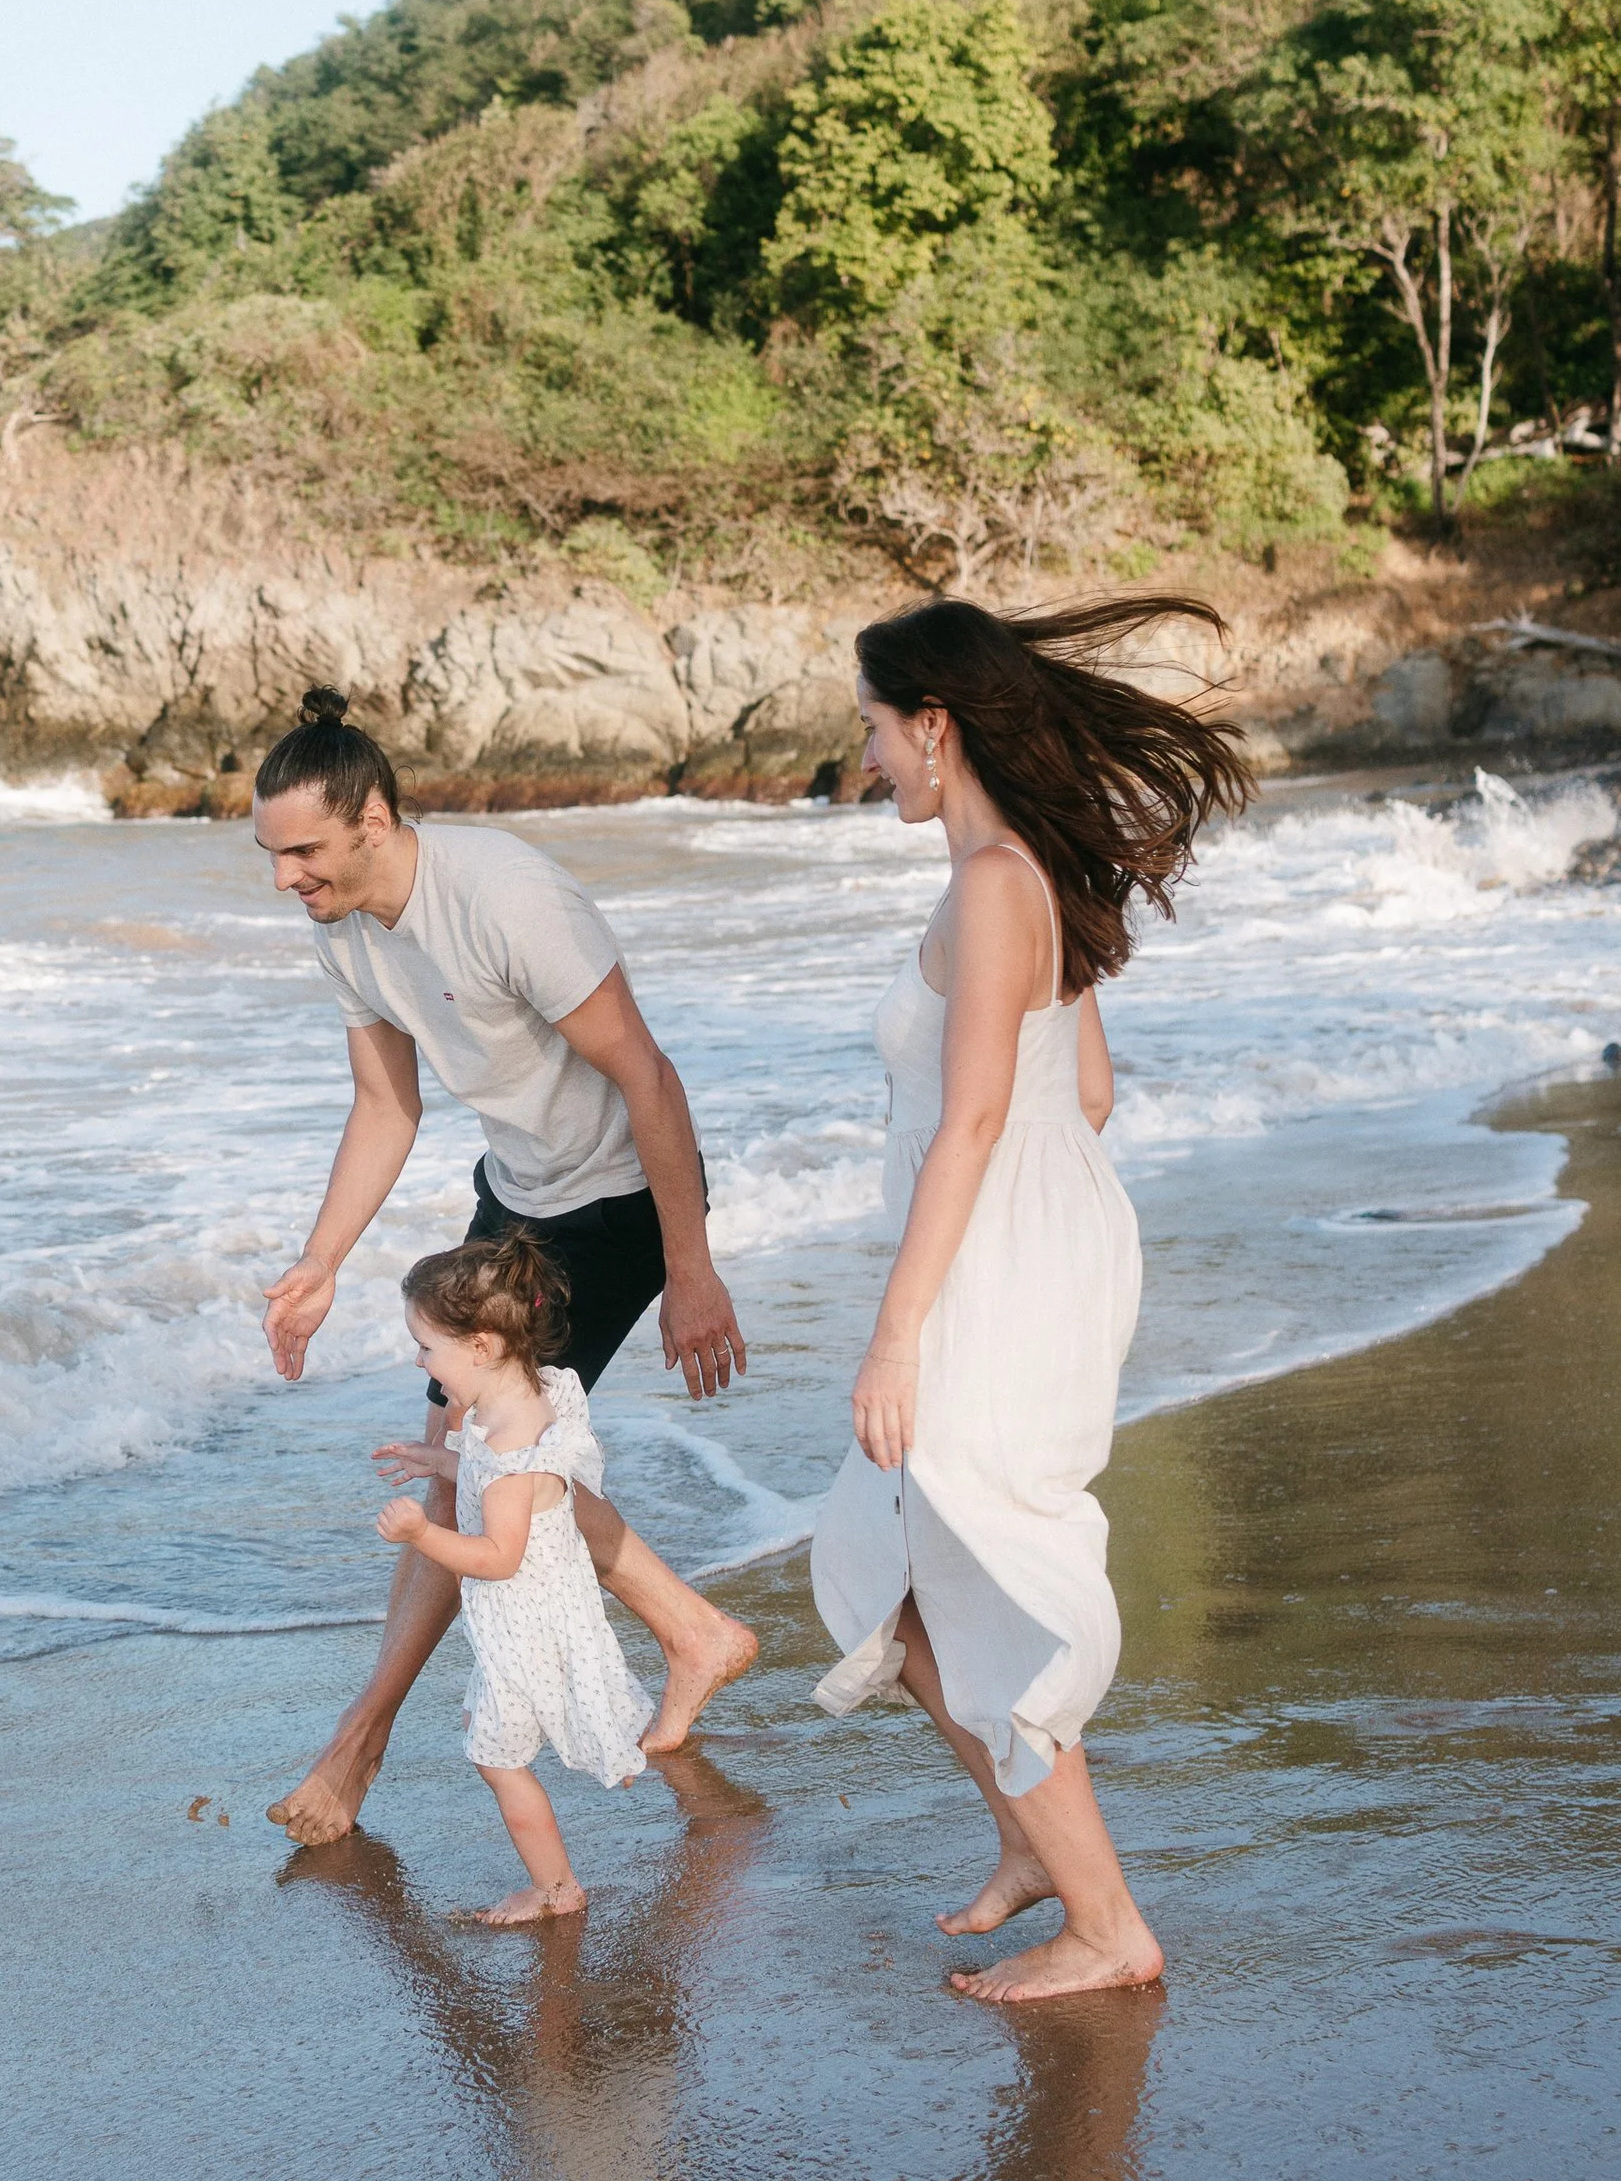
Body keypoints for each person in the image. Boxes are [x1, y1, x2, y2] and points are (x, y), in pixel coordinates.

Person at [808, 594, 1254, 2004]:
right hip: (1029, 1247)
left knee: (982, 1575)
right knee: (901, 1579)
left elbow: (977, 1116)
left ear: (933, 725)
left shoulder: (996, 882)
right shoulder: (1023, 874)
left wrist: (901, 1331)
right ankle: (1030, 1842)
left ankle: (1108, 1926)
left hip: (990, 1269)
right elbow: (1090, 1091)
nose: (865, 755)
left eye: (875, 727)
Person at [254, 688, 756, 1844]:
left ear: (372, 819)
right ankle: (694, 1633)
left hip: (618, 1203)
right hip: (518, 1196)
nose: (285, 878)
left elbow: (647, 1076)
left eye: (304, 851)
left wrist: (690, 1267)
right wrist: (320, 1261)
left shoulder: (504, 897)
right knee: (477, 1463)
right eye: (272, 855)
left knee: (477, 1468)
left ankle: (355, 1744)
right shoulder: (344, 926)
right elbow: (385, 1105)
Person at [373, 1234, 656, 1923]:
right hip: (547, 1609)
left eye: (426, 1347)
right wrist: (439, 1461)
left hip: (522, 1622)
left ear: (481, 1347)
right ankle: (577, 1815)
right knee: (498, 1730)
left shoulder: (505, 1447)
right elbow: (503, 1485)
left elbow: (499, 1554)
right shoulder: (529, 1400)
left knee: (496, 1759)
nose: (419, 1361)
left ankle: (556, 1890)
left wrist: (420, 1534)